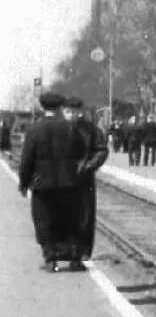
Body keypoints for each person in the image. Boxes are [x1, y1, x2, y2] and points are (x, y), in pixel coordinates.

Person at [18, 92, 85, 272]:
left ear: (43, 108)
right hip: (69, 184)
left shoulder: (34, 130)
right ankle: (75, 259)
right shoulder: (71, 128)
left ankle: (50, 260)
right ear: (60, 108)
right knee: (71, 220)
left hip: (42, 185)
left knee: (44, 221)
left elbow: (26, 161)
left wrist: (24, 184)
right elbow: (81, 152)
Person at [62, 97, 109, 264]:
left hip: (84, 178)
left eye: (74, 111)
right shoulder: (58, 129)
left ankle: (82, 252)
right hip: (63, 178)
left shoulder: (91, 130)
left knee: (85, 216)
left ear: (80, 111)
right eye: (68, 111)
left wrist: (89, 166)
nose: (71, 115)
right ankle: (66, 250)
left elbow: (102, 150)